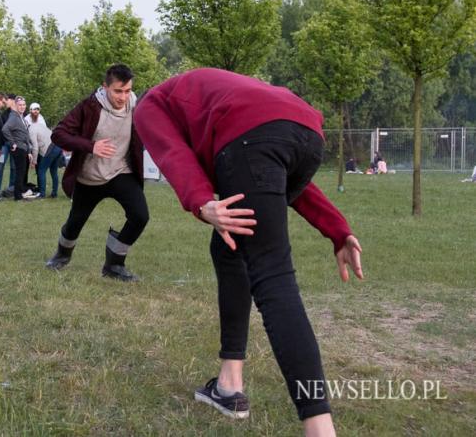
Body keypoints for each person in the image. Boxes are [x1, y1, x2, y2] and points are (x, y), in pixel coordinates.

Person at [135, 68, 364, 435]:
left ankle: (320, 429)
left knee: (272, 275)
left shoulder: (149, 104)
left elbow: (172, 152)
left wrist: (199, 202)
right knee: (228, 246)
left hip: (251, 138)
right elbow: (269, 173)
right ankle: (229, 385)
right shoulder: (210, 93)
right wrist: (337, 229)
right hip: (306, 132)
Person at [46, 63, 148, 281]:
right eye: (117, 91)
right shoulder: (89, 107)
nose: (123, 97)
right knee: (75, 222)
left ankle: (114, 265)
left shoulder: (137, 105)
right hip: (90, 177)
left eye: (127, 90)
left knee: (140, 216)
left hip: (122, 171)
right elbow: (58, 134)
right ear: (105, 87)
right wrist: (91, 146)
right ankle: (62, 255)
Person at [2, 95, 34, 201]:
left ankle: (20, 193)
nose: (22, 107)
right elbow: (5, 129)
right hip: (18, 148)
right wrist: (12, 143)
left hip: (24, 148)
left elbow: (26, 135)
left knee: (22, 172)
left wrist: (29, 151)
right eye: (20, 105)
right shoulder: (14, 116)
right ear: (16, 105)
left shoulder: (21, 117)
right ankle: (17, 196)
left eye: (24, 105)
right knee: (20, 172)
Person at [29, 119, 62, 198]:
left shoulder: (31, 131)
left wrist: (34, 161)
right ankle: (54, 193)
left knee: (41, 171)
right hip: (58, 146)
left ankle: (42, 194)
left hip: (49, 149)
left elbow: (35, 147)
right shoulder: (41, 126)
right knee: (54, 172)